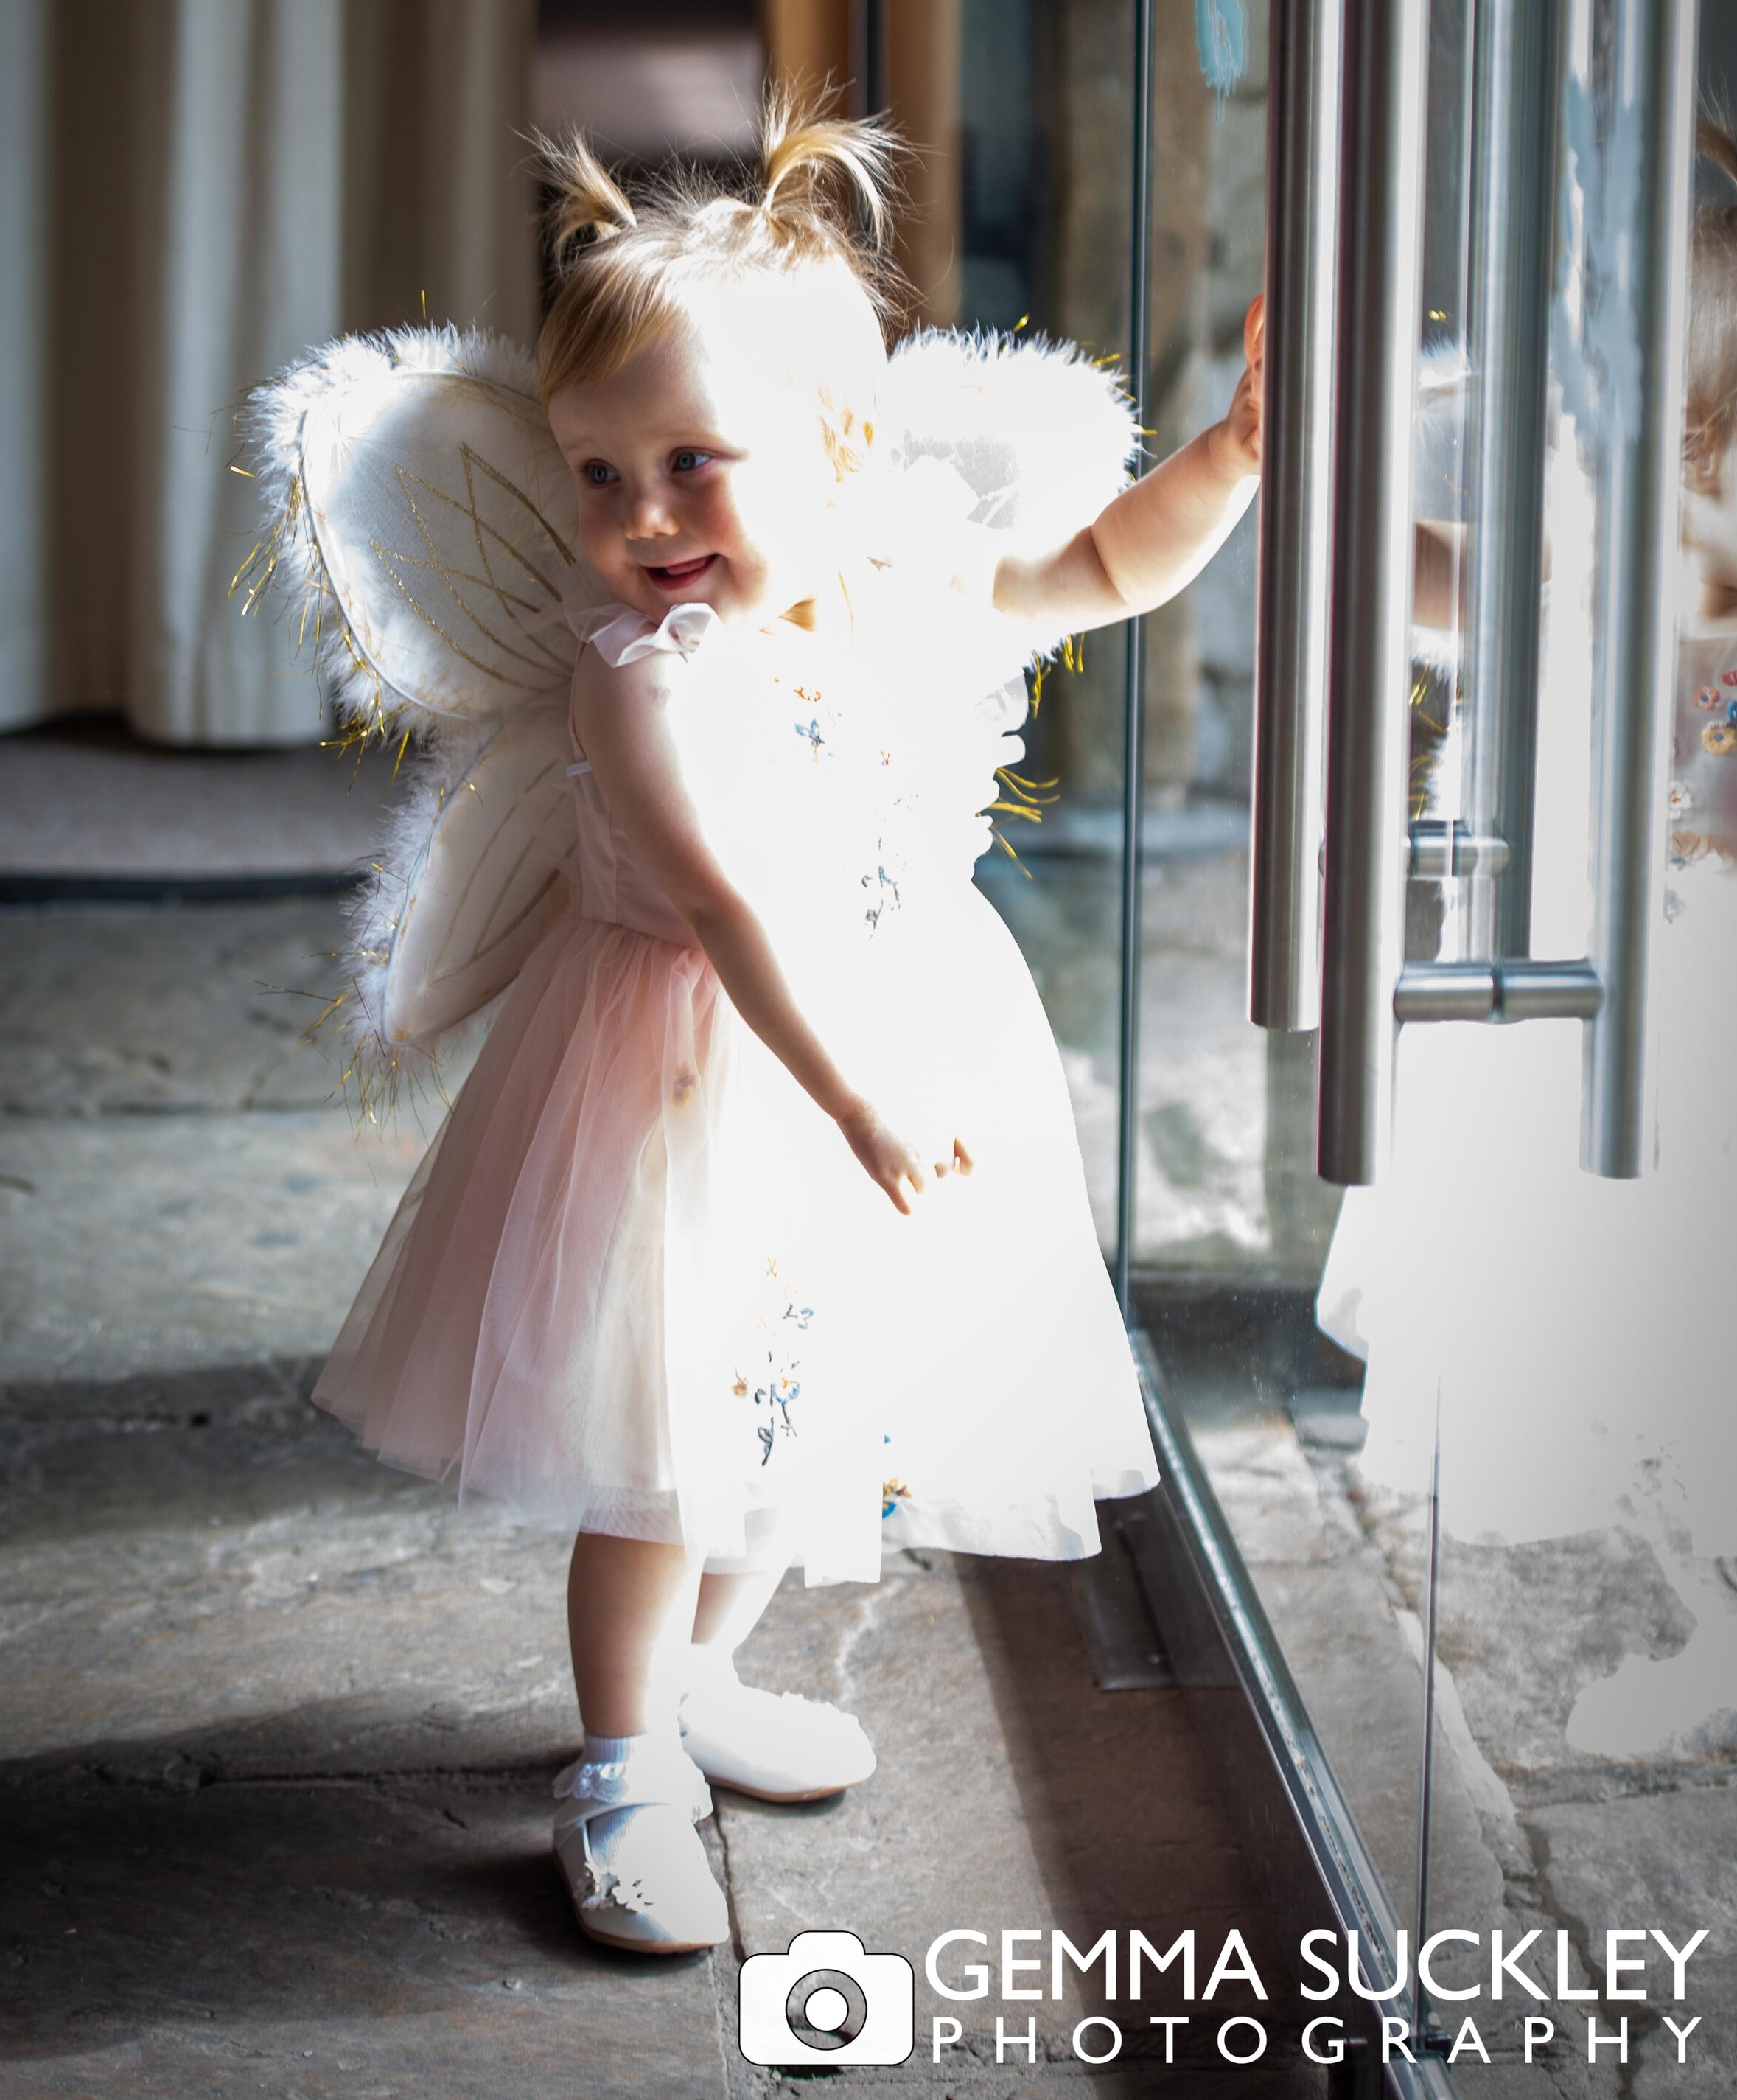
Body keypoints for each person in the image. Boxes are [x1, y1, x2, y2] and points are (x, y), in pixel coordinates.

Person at [282, 102, 1265, 1950]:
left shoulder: (903, 588)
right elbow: (728, 911)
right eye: (592, 473)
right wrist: (854, 1096)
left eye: (688, 463)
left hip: (881, 1054)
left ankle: (713, 1675)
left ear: (836, 449)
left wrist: (1226, 453)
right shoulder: (642, 689)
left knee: (814, 1413)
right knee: (672, 1431)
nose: (637, 519)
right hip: (697, 1080)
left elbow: (1104, 572)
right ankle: (622, 1753)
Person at [1318, 118, 1737, 1758]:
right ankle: (1727, 1628)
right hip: (1643, 1045)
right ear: (1695, 447)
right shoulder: (1622, 575)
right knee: (1645, 1378)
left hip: (1723, 1049)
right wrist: (1336, 483)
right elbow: (1453, 577)